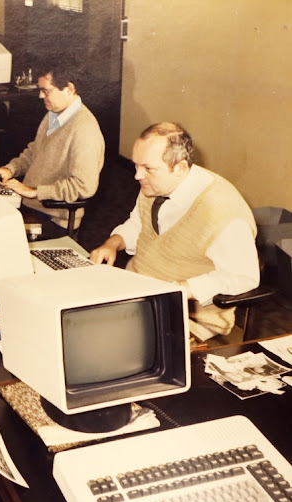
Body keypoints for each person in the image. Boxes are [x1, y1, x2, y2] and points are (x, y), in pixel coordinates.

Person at [90, 122, 259, 341]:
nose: (137, 176)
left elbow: (244, 277)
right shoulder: (155, 183)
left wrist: (185, 288)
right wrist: (113, 243)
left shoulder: (222, 211)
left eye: (148, 168)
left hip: (191, 317)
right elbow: (138, 224)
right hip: (138, 291)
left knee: (102, 339)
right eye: (136, 166)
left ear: (179, 168)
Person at [0, 59, 105, 238]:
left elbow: (83, 186)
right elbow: (35, 151)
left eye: (46, 91)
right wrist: (10, 169)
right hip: (33, 207)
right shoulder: (54, 113)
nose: (40, 96)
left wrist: (35, 192)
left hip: (54, 219)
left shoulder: (85, 130)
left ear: (69, 89)